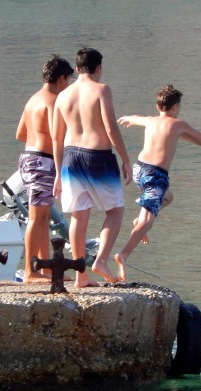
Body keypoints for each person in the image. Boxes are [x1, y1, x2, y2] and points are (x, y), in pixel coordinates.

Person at [52, 47, 132, 287]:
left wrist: (58, 173)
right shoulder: (101, 89)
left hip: (70, 158)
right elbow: (111, 128)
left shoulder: (62, 96)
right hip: (97, 157)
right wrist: (126, 159)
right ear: (98, 68)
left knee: (79, 215)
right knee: (115, 211)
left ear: (77, 69)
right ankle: (101, 260)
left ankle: (81, 275)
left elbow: (56, 137)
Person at [114, 85, 201, 281]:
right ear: (175, 107)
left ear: (158, 106)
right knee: (147, 221)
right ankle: (123, 254)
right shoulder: (178, 124)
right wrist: (183, 134)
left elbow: (135, 118)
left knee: (168, 197)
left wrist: (129, 118)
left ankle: (139, 221)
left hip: (139, 169)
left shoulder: (151, 120)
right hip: (155, 175)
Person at [16, 55, 74, 283]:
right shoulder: (53, 101)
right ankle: (30, 271)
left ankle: (46, 268)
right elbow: (58, 137)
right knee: (36, 217)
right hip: (42, 162)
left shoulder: (32, 99)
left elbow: (20, 133)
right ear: (61, 79)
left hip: (29, 158)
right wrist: (59, 170)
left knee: (43, 217)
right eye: (68, 80)